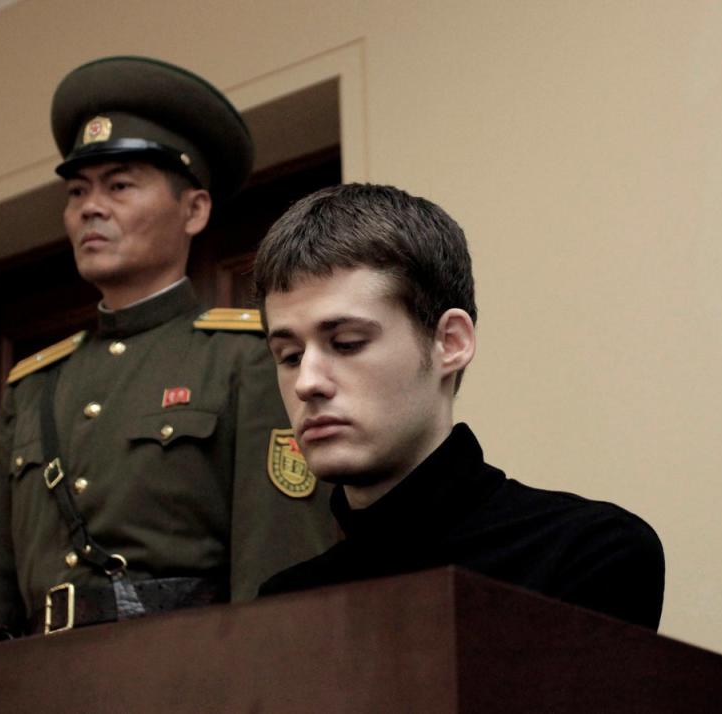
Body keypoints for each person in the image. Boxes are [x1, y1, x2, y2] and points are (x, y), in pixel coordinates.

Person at [0, 56, 335, 643]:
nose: (90, 207)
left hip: (182, 675)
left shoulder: (247, 357)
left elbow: (278, 557)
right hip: (34, 681)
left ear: (194, 210)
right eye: (77, 190)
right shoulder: (31, 385)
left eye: (120, 185)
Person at [252, 183, 665, 629]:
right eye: (290, 357)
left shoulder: (585, 550)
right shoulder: (283, 605)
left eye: (347, 344)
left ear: (450, 343)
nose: (307, 383)